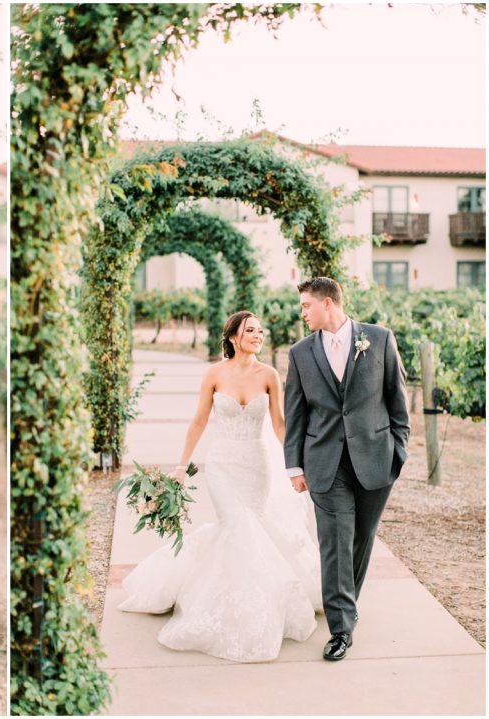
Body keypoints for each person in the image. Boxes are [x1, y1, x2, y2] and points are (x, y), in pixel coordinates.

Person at [119, 310, 322, 663]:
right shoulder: (213, 374)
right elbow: (199, 420)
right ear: (232, 337)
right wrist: (182, 465)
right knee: (237, 527)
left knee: (251, 528)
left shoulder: (270, 375)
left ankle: (259, 601)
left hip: (256, 465)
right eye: (250, 330)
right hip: (223, 466)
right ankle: (230, 606)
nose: (258, 335)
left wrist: (294, 465)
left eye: (261, 330)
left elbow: (279, 424)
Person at [284, 277, 409, 661]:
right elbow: (296, 412)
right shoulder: (300, 352)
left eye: (306, 305)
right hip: (325, 462)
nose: (302, 312)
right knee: (335, 542)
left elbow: (397, 399)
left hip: (375, 458)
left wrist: (398, 451)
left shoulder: (380, 339)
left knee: (362, 538)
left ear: (327, 302)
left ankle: (346, 604)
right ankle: (340, 629)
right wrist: (294, 465)